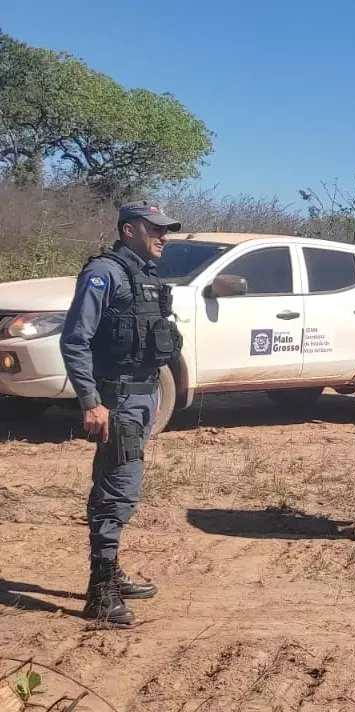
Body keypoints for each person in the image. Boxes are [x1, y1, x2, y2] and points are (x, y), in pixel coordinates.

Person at [59, 200, 183, 627]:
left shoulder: (144, 275)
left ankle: (111, 572)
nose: (164, 236)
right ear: (129, 229)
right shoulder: (104, 273)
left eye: (165, 229)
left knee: (119, 482)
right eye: (155, 229)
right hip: (118, 401)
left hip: (144, 396)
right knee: (118, 488)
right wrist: (91, 401)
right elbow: (75, 340)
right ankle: (100, 592)